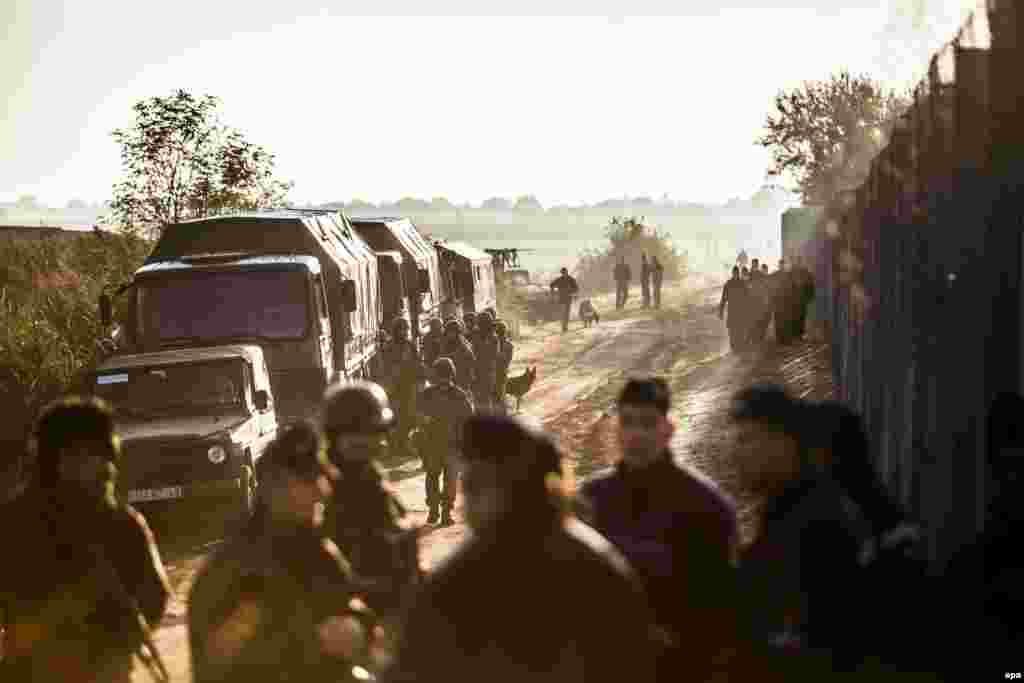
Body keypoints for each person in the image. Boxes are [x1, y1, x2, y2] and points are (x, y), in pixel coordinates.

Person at [384, 415, 662, 683]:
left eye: (480, 483)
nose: (466, 494)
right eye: (470, 482)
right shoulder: (597, 562)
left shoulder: (592, 570)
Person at [188, 422, 380, 683]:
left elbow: (349, 603)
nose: (321, 493)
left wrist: (357, 626)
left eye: (320, 479)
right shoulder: (232, 566)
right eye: (308, 482)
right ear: (273, 489)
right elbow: (216, 660)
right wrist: (311, 641)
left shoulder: (314, 549)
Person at [0, 396, 170, 683]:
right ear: (62, 458)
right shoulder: (15, 525)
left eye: (107, 455)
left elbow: (154, 598)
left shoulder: (122, 524)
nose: (108, 468)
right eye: (96, 455)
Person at [579, 378, 739, 681]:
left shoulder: (706, 505)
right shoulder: (591, 499)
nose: (636, 434)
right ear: (615, 429)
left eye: (648, 423)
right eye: (627, 423)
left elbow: (723, 611)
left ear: (668, 428)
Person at [731, 385, 870, 675]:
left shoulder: (817, 521)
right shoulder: (783, 508)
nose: (736, 452)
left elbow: (822, 645)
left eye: (747, 440)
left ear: (784, 442)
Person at [320, 381, 420, 618]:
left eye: (379, 432)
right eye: (367, 433)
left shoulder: (373, 483)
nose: (379, 441)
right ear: (340, 435)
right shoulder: (319, 495)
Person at [416, 358, 474, 526]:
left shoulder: (458, 395)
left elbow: (468, 419)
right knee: (439, 477)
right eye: (441, 376)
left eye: (445, 376)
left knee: (444, 479)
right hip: (435, 443)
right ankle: (436, 510)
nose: (443, 379)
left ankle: (443, 511)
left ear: (450, 376)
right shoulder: (433, 394)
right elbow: (418, 415)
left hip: (450, 444)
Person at [379, 318, 423, 459]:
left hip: (408, 386)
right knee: (394, 417)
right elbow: (385, 367)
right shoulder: (389, 347)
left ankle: (403, 445)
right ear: (396, 331)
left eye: (405, 329)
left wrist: (419, 379)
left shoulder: (410, 345)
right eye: (401, 329)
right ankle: (394, 446)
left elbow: (417, 363)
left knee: (408, 417)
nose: (404, 332)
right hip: (394, 387)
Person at [471, 313, 500, 413]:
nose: (482, 327)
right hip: (476, 372)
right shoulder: (475, 337)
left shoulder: (493, 338)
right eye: (481, 324)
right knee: (477, 400)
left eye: (485, 324)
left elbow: (493, 356)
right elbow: (472, 354)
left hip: (487, 373)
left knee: (486, 400)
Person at [439, 319, 476, 393]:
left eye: (453, 332)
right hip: (448, 379)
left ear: (457, 333)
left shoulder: (464, 346)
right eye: (449, 332)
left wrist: (470, 377)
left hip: (462, 379)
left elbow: (471, 361)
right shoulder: (444, 345)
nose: (451, 334)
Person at [719, 266, 751, 352]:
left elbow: (747, 297)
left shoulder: (742, 283)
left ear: (738, 273)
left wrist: (748, 310)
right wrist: (721, 311)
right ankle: (734, 347)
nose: (735, 275)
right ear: (732, 273)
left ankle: (739, 347)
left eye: (736, 273)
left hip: (740, 311)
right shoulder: (728, 284)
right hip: (732, 311)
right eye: (734, 273)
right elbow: (723, 299)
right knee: (732, 330)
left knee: (740, 330)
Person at [549, 267, 579, 334]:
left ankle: (565, 326)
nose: (564, 274)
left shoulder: (571, 279)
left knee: (566, 313)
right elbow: (551, 285)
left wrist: (573, 293)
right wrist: (553, 292)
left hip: (568, 299)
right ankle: (563, 326)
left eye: (564, 273)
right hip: (561, 299)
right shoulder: (559, 279)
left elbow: (576, 288)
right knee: (563, 313)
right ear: (561, 273)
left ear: (567, 272)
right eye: (563, 273)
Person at [494, 320, 515, 414]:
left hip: (500, 375)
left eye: (498, 332)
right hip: (492, 375)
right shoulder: (494, 343)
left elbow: (504, 361)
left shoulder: (508, 346)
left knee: (500, 399)